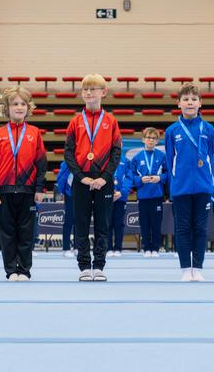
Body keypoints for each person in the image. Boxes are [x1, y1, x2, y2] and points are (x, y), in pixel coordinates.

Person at [64, 74, 121, 282]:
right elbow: (68, 153)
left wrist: (106, 177)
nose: (89, 92)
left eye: (93, 89)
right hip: (81, 181)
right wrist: (80, 177)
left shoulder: (111, 121)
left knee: (102, 225)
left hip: (104, 181)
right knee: (80, 224)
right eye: (85, 89)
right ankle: (83, 267)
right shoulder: (75, 122)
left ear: (103, 92)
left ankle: (98, 266)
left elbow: (116, 152)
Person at [0, 86, 47, 281]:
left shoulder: (35, 132)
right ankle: (11, 270)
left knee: (26, 232)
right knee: (7, 233)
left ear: (29, 107)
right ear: (7, 107)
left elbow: (41, 163)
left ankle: (24, 269)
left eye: (23, 104)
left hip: (28, 189)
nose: (19, 107)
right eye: (15, 104)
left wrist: (39, 188)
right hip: (4, 190)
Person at [165, 82, 214, 282]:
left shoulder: (208, 128)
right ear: (178, 103)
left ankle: (199, 268)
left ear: (200, 103)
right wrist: (173, 186)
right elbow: (170, 161)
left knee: (201, 228)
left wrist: (209, 182)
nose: (190, 103)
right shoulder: (172, 131)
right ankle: (186, 267)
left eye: (194, 99)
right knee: (183, 228)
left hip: (203, 187)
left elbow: (210, 157)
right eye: (185, 99)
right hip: (181, 187)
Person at [131, 127, 167, 257]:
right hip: (143, 195)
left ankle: (155, 248)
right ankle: (146, 248)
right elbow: (132, 176)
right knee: (145, 223)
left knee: (156, 223)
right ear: (143, 139)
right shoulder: (137, 157)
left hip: (157, 195)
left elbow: (168, 174)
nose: (150, 141)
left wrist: (160, 178)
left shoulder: (162, 156)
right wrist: (140, 179)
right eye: (148, 138)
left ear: (157, 141)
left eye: (153, 138)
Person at [108, 152, 132, 257]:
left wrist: (122, 192)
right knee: (107, 223)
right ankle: (108, 248)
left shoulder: (126, 161)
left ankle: (118, 248)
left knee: (119, 224)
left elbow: (129, 178)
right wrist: (108, 192)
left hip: (121, 197)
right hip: (107, 197)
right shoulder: (104, 159)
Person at [56, 160, 75, 257]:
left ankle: (77, 247)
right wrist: (62, 191)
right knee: (69, 221)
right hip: (70, 194)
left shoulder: (84, 160)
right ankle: (66, 248)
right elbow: (61, 178)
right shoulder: (66, 163)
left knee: (80, 222)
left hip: (82, 195)